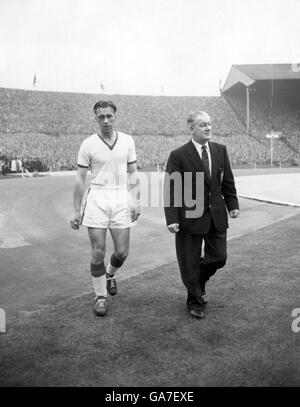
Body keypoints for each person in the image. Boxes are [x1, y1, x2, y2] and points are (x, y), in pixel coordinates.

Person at [164, 111, 239, 319]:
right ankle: (195, 301)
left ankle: (199, 281)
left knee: (219, 258)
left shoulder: (220, 150)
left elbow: (228, 181)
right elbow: (172, 188)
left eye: (209, 124)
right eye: (203, 125)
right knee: (189, 262)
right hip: (189, 217)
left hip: (216, 215)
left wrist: (232, 204)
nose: (208, 128)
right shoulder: (178, 155)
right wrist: (172, 218)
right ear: (191, 128)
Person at [71, 100, 140, 317]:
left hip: (121, 196)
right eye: (101, 117)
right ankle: (100, 296)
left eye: (109, 116)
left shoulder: (127, 140)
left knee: (122, 252)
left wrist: (136, 200)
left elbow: (133, 172)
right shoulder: (88, 144)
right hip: (98, 197)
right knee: (98, 250)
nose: (106, 121)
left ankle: (110, 274)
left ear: (115, 116)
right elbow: (81, 179)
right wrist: (76, 210)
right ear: (96, 119)